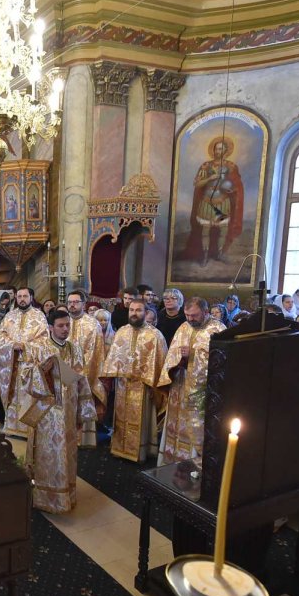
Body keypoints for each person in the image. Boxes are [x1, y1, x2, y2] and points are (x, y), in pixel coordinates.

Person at [17, 310, 96, 513]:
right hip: (46, 413)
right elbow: (24, 376)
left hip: (68, 410)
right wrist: (42, 369)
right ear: (50, 327)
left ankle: (65, 496)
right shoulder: (37, 347)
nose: (65, 329)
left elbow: (81, 378)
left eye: (67, 325)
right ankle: (43, 497)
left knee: (66, 454)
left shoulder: (75, 349)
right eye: (60, 326)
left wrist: (83, 412)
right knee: (46, 453)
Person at [100, 298, 169, 463]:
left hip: (144, 386)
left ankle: (141, 451)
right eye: (132, 310)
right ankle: (119, 448)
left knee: (141, 420)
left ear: (146, 313)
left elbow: (160, 362)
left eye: (138, 310)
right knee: (121, 417)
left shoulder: (155, 335)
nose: (134, 313)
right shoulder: (122, 332)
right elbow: (113, 357)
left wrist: (150, 381)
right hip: (123, 385)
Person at [160, 297, 225, 467]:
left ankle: (196, 464)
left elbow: (222, 362)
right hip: (180, 385)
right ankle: (173, 461)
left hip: (201, 391)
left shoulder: (218, 329)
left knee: (197, 426)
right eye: (187, 315)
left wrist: (194, 355)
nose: (190, 319)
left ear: (205, 312)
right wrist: (176, 362)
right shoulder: (183, 326)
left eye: (194, 315)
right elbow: (172, 353)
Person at [179, 136, 244, 264]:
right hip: (207, 202)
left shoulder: (231, 166)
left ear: (226, 151)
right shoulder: (206, 166)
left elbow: (236, 185)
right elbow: (197, 184)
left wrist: (232, 190)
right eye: (216, 149)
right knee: (205, 230)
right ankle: (204, 255)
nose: (217, 151)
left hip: (223, 202)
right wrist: (210, 178)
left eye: (220, 149)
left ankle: (219, 253)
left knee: (223, 230)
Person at [0, 287, 48, 439]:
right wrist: (12, 345)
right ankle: (12, 427)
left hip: (30, 365)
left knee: (28, 397)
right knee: (13, 397)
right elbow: (0, 337)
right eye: (19, 296)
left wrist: (25, 346)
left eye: (25, 296)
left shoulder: (39, 316)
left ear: (31, 297)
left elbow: (44, 340)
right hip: (11, 365)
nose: (22, 299)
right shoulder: (10, 316)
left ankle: (28, 429)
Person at [63, 291, 107, 447]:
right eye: (69, 302)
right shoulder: (62, 320)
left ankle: (83, 439)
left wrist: (78, 373)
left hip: (85, 373)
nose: (72, 304)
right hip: (63, 374)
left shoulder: (92, 323)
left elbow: (94, 352)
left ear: (83, 304)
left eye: (76, 301)